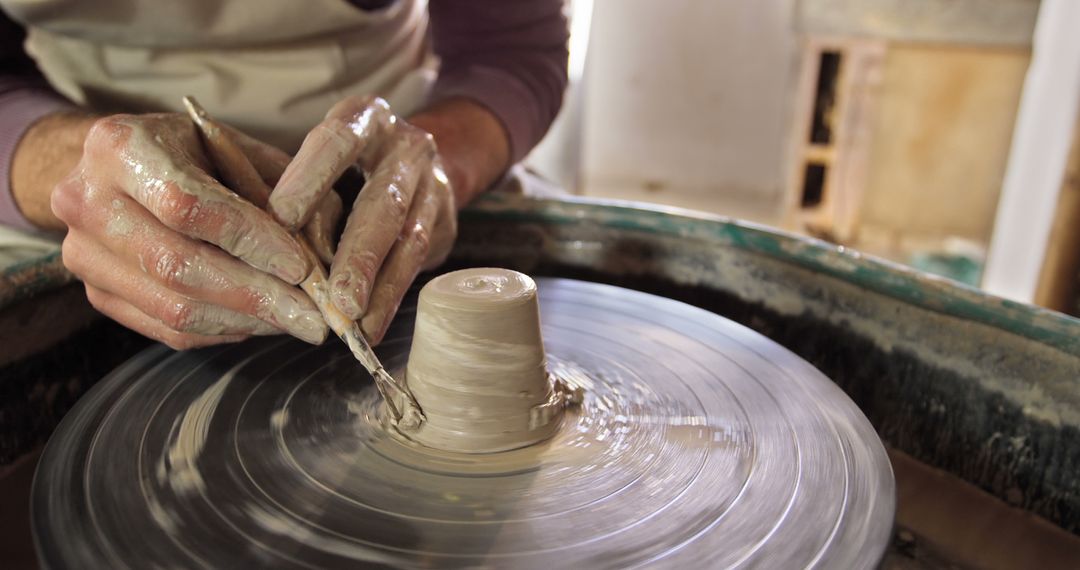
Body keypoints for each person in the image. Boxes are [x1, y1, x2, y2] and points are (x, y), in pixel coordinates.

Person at [0, 0, 568, 349]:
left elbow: (511, 49)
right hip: (78, 166)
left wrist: (440, 157)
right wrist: (74, 164)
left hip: (385, 146)